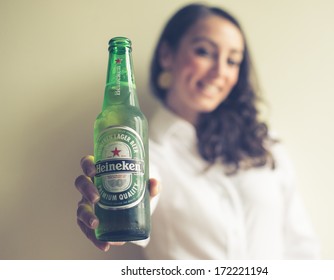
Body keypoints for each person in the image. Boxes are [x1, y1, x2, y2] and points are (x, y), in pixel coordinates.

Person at [75, 3, 320, 259]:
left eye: (232, 60)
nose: (219, 72)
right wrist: (103, 209)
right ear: (167, 55)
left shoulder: (265, 144)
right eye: (204, 52)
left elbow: (301, 247)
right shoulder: (146, 153)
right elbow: (142, 196)